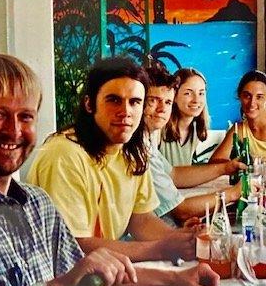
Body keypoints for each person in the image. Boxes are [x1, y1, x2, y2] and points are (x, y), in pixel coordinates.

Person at [0, 54, 219, 286]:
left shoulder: (37, 204)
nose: (14, 131)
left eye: (25, 117)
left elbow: (88, 273)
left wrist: (176, 279)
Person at [28, 57, 198, 262]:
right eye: (114, 100)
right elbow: (73, 246)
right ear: (89, 104)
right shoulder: (64, 155)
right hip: (65, 280)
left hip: (108, 270)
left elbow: (141, 220)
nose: (125, 112)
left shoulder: (133, 152)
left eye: (135, 102)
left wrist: (183, 239)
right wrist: (161, 249)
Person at [143, 62, 244, 225]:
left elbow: (173, 174)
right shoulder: (146, 141)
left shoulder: (146, 141)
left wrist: (226, 168)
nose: (162, 109)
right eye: (153, 100)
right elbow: (181, 211)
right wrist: (234, 193)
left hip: (168, 226)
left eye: (167, 102)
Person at [210, 70, 266, 163]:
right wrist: (235, 166)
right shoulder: (239, 129)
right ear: (239, 96)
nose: (252, 103)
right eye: (247, 96)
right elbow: (214, 163)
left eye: (259, 97)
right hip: (257, 177)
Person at [160, 67, 211, 166]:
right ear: (174, 96)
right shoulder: (160, 129)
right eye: (188, 93)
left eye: (201, 93)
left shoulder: (195, 129)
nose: (196, 100)